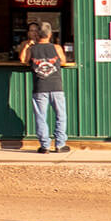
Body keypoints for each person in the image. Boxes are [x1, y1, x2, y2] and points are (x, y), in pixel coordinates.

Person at [19, 21, 69, 153]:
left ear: (37, 34)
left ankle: (45, 146)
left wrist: (26, 47)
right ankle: (60, 144)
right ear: (50, 34)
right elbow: (63, 61)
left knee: (41, 117)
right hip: (56, 86)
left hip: (40, 87)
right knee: (61, 116)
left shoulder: (32, 49)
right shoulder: (57, 48)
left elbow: (23, 60)